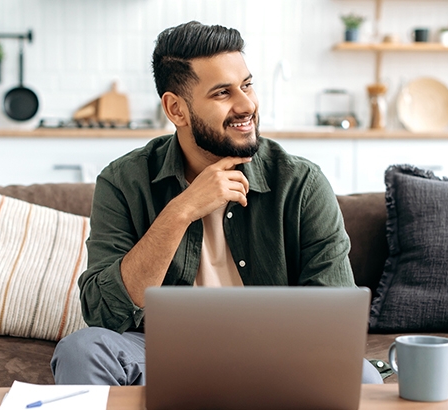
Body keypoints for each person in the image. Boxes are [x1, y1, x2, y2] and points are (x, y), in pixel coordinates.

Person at [51, 20, 383, 385]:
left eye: (247, 85)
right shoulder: (122, 181)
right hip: (159, 350)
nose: (247, 105)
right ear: (176, 110)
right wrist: (182, 210)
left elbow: (335, 319)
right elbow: (104, 314)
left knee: (362, 376)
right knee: (81, 350)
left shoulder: (301, 183)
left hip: (276, 354)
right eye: (223, 93)